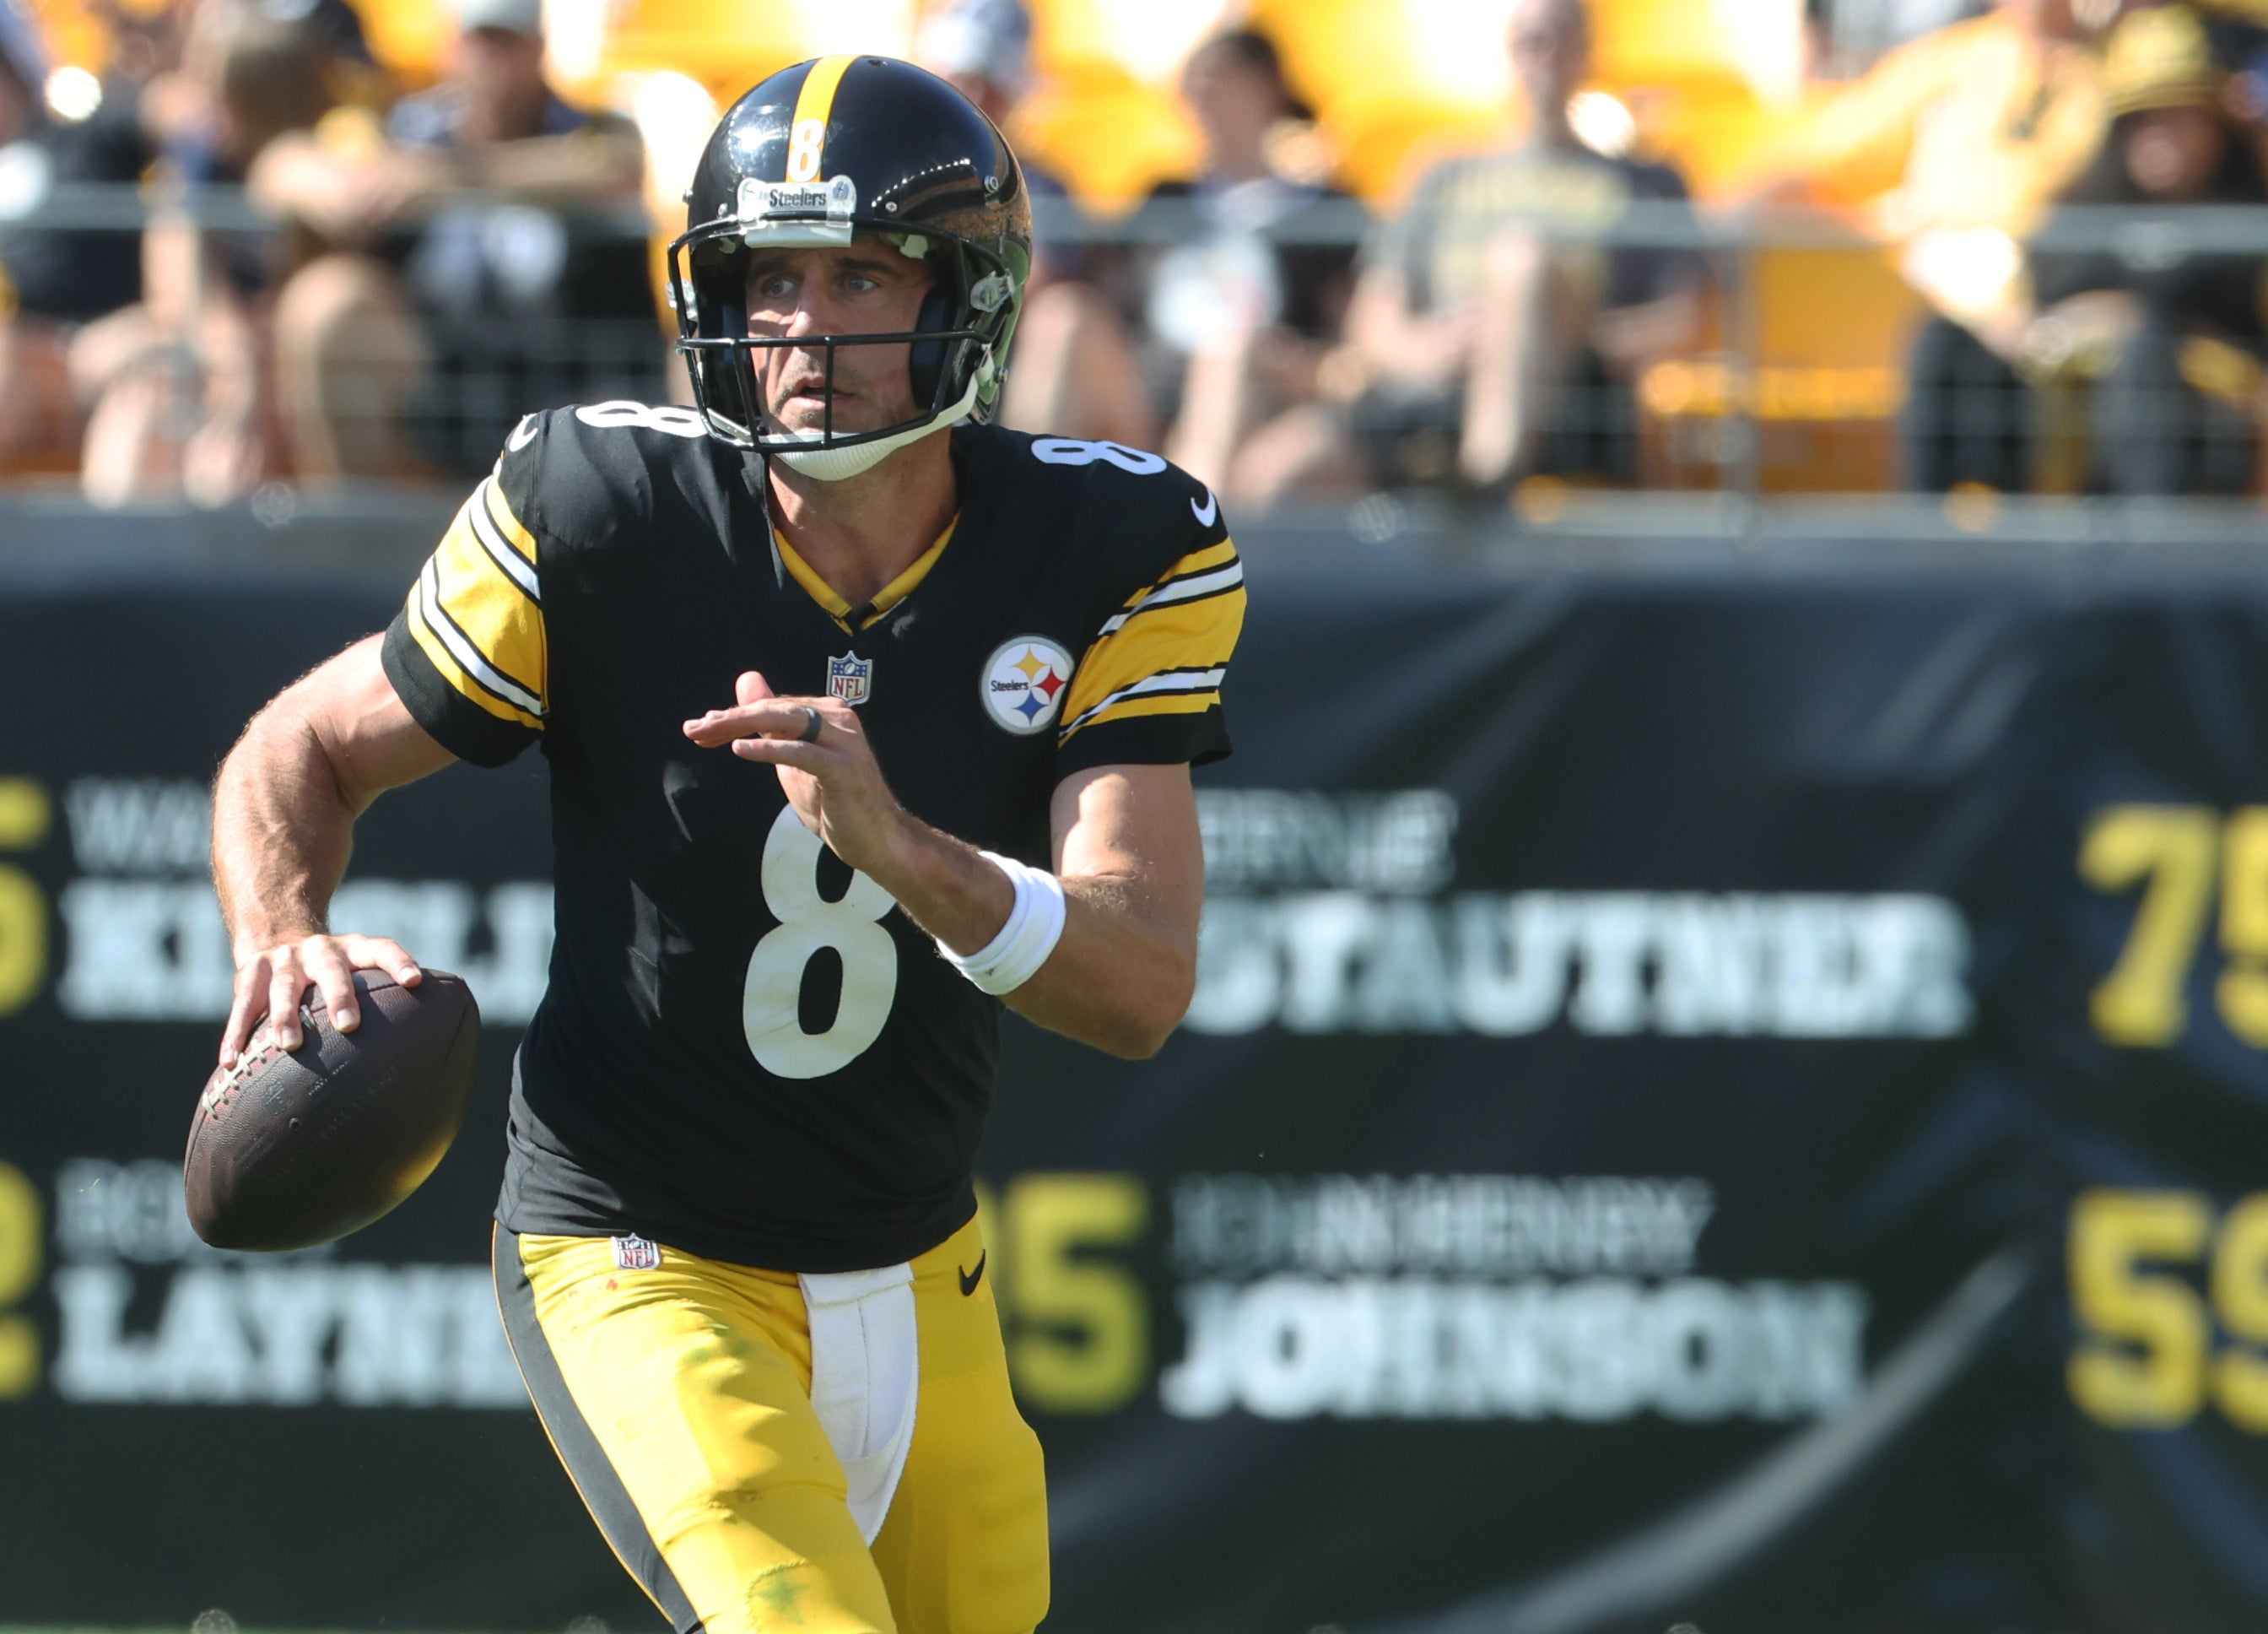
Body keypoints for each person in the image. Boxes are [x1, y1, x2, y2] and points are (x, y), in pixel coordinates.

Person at [208, 55, 1243, 1634]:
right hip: (643, 1255)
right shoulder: (601, 506)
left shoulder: (1114, 546)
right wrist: (284, 936)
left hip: (920, 1269)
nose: (805, 326)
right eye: (768, 279)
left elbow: (1138, 979)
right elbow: (295, 751)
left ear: (967, 297)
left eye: (859, 274)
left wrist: (903, 850)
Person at [1250, 0, 1707, 502]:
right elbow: (1375, 313)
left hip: (1570, 403)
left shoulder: (1647, 182)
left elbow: (1685, 320)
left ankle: (1485, 479)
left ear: (1589, 53)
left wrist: (1537, 335)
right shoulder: (1444, 174)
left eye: (1562, 37)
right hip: (1431, 397)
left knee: (1522, 257)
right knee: (1275, 477)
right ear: (1509, 51)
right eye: (1532, 39)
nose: (1546, 54)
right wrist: (1422, 351)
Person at [248, 0, 650, 482]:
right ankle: (357, 523)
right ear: (452, 47)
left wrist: (449, 177)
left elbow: (612, 167)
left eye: (506, 40)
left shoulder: (594, 129)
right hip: (437, 382)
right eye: (478, 40)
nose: (490, 59)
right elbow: (280, 164)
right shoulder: (401, 129)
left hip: (568, 391)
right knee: (327, 298)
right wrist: (334, 190)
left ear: (538, 49)